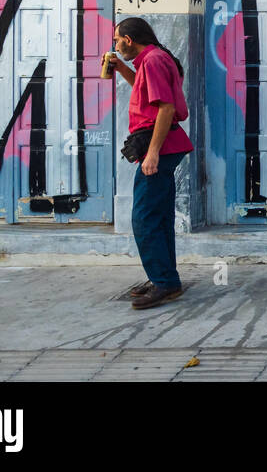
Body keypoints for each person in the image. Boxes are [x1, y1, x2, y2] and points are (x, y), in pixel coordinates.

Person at [103, 17, 194, 311]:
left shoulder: (152, 61)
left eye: (117, 40)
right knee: (159, 215)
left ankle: (165, 283)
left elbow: (166, 108)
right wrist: (121, 69)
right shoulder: (152, 58)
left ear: (129, 39)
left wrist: (153, 153)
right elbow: (148, 92)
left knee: (144, 217)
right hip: (168, 145)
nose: (115, 45)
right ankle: (165, 278)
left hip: (161, 146)